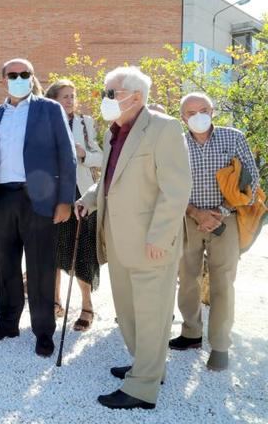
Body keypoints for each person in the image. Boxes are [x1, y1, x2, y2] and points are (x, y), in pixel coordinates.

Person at [76, 66, 191, 410]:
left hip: (150, 244)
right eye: (104, 92)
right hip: (119, 241)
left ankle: (142, 388)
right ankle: (148, 365)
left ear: (136, 97)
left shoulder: (164, 129)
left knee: (151, 315)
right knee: (129, 314)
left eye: (110, 93)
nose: (104, 99)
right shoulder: (117, 131)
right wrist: (90, 199)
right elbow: (111, 179)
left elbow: (175, 190)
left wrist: (159, 237)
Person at [0, 58, 76, 356]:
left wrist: (65, 200)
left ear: (32, 78)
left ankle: (43, 332)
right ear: (3, 80)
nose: (19, 78)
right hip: (3, 198)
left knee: (41, 267)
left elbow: (66, 155)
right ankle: (7, 322)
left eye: (25, 74)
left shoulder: (49, 109)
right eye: (12, 74)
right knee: (5, 265)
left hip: (40, 199)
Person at [170, 92, 259, 371]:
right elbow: (167, 185)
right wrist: (195, 212)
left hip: (226, 219)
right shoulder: (176, 143)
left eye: (203, 109)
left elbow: (251, 180)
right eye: (191, 112)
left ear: (213, 111)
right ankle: (191, 333)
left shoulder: (233, 137)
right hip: (188, 219)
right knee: (187, 278)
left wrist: (219, 212)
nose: (198, 116)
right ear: (183, 117)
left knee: (223, 282)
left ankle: (220, 345)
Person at [45, 80, 102, 331]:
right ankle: (54, 302)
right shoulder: (43, 122)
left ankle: (87, 306)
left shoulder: (84, 123)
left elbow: (101, 156)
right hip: (51, 194)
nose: (70, 100)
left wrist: (84, 155)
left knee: (83, 251)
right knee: (53, 251)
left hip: (80, 194)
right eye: (64, 96)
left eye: (72, 96)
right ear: (53, 100)